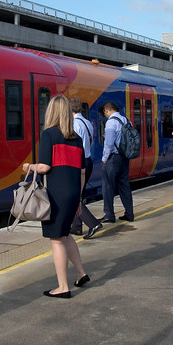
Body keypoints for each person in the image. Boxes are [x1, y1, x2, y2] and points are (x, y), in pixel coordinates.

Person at [22, 95, 88, 298]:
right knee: (65, 234)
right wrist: (78, 199)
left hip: (56, 195)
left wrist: (28, 167)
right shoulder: (76, 139)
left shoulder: (49, 135)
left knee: (57, 240)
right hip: (73, 193)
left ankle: (62, 287)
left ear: (50, 112)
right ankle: (81, 274)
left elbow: (44, 167)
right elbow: (82, 172)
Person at [68, 97, 102, 239]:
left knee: (74, 198)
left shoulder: (74, 125)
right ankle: (76, 227)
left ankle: (93, 223)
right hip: (88, 161)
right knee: (78, 196)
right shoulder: (87, 122)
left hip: (78, 163)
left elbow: (74, 147)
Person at [100, 101, 134, 223]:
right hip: (124, 157)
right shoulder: (126, 120)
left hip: (113, 158)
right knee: (124, 186)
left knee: (108, 187)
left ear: (107, 110)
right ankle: (129, 213)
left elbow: (109, 144)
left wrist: (104, 159)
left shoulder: (111, 122)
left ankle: (109, 215)